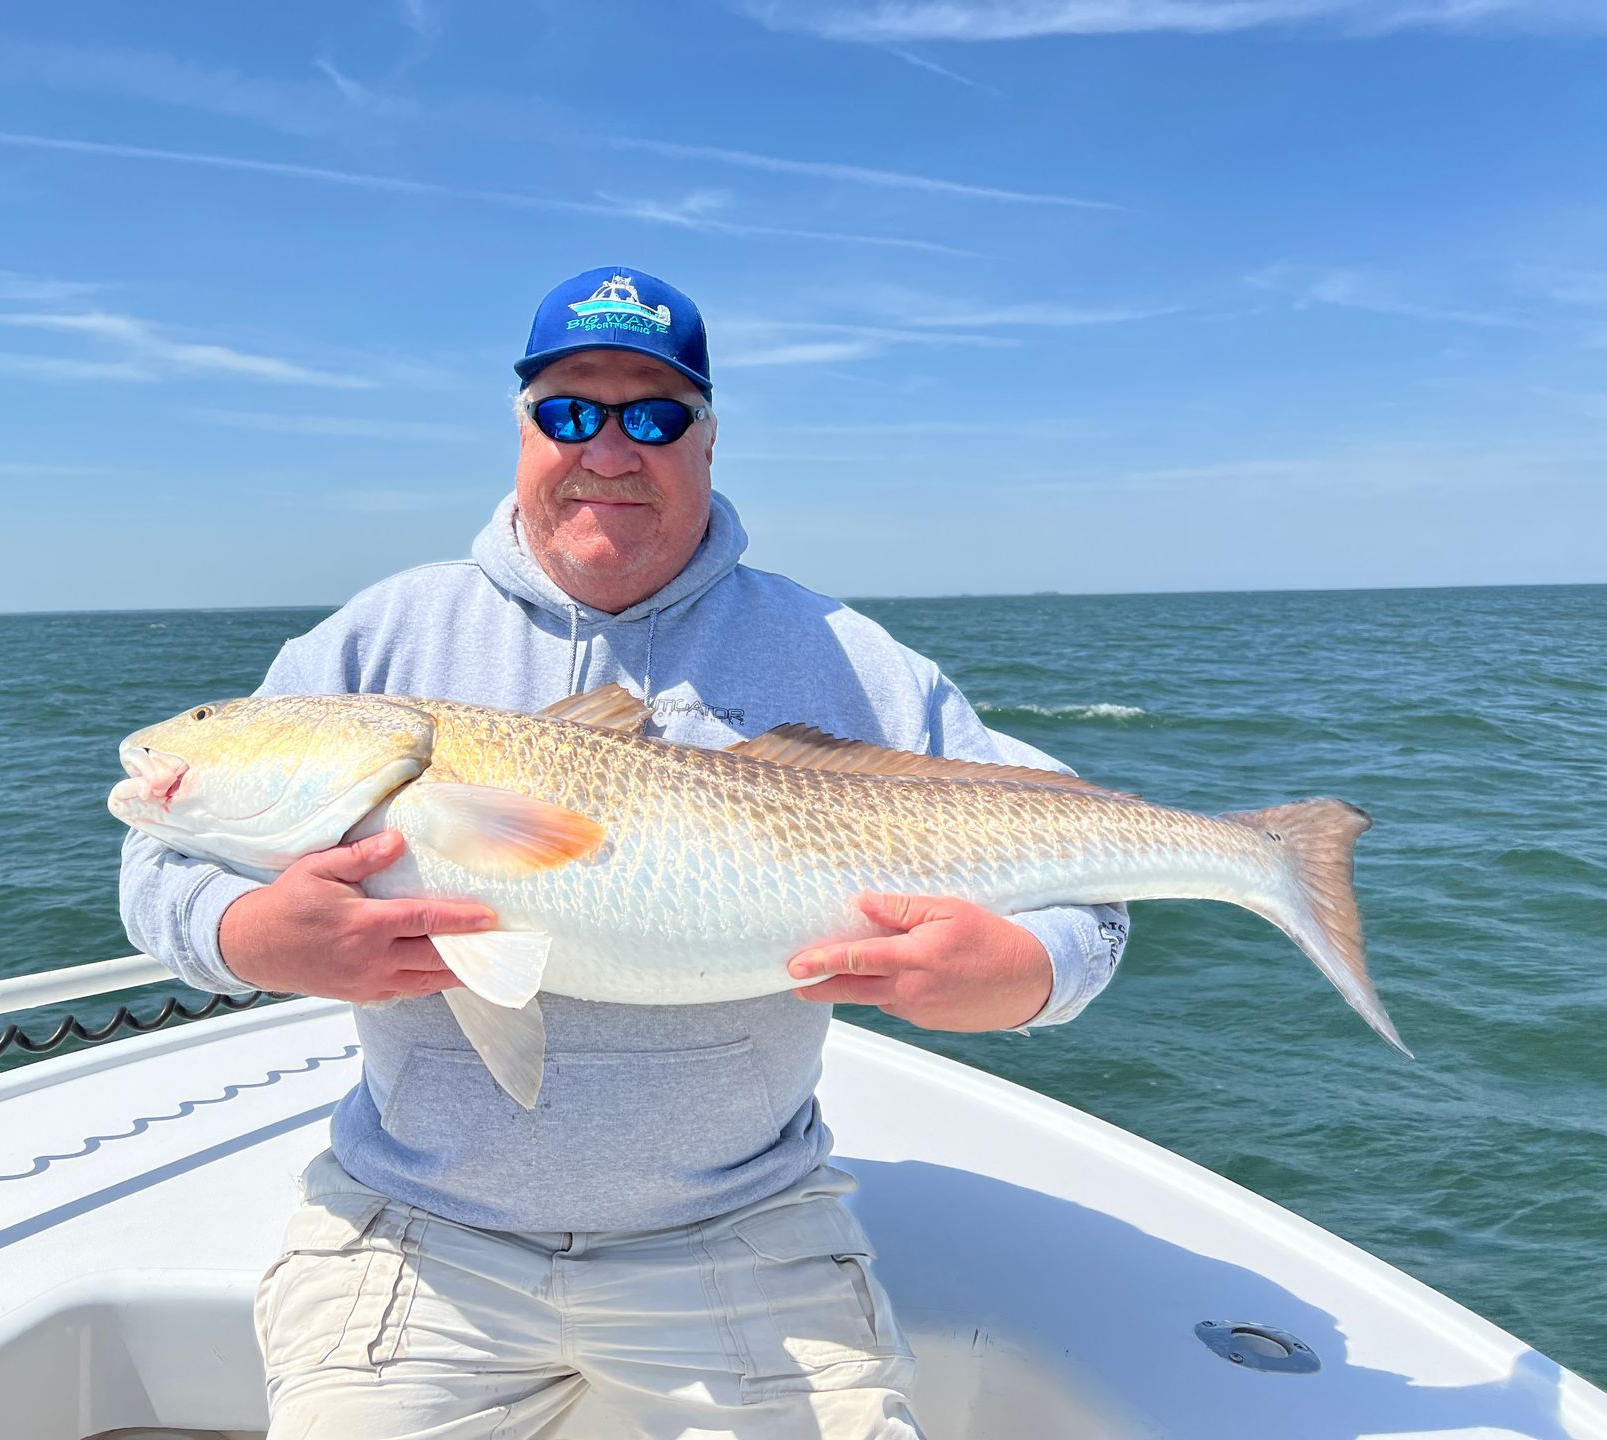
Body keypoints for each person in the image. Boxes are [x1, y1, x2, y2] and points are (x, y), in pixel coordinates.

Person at [120, 265, 1129, 1438]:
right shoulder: (381, 640)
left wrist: (1028, 977)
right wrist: (248, 936)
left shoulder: (843, 656)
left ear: (707, 441)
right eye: (568, 413)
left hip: (748, 1241)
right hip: (415, 1235)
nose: (608, 449)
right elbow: (155, 871)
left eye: (652, 416)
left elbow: (1091, 884)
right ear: (522, 434)